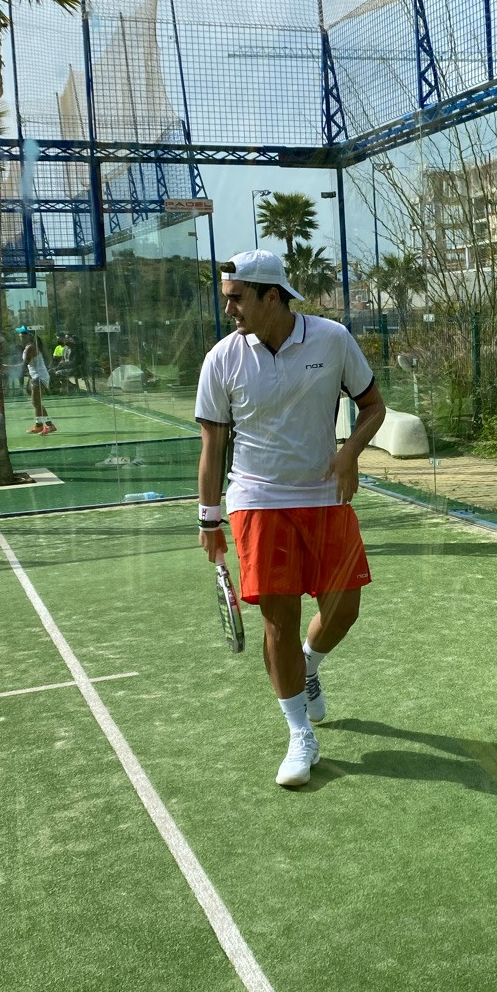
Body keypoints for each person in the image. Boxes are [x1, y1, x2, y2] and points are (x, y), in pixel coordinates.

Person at [196, 250, 386, 789]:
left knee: (344, 608)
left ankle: (310, 666)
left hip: (326, 496)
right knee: (277, 620)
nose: (229, 309)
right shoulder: (222, 359)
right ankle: (300, 733)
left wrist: (348, 454)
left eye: (237, 298)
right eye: (227, 298)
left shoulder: (332, 339)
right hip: (257, 500)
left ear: (272, 296)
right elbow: (213, 446)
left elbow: (373, 406)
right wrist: (209, 520)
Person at [18, 328, 56, 434]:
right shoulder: (28, 347)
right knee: (36, 403)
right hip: (35, 377)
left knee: (36, 402)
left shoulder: (31, 347)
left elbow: (24, 364)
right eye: (20, 335)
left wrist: (7, 367)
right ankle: (43, 425)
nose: (21, 337)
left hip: (39, 377)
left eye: (23, 335)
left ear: (29, 336)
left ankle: (45, 425)